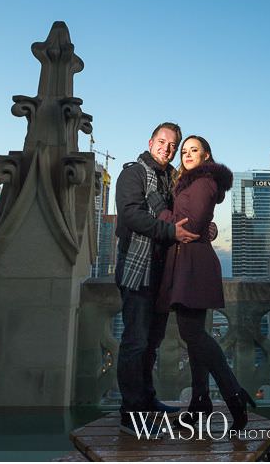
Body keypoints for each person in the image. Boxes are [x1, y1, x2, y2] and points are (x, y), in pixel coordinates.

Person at [156, 135, 256, 430]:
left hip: (193, 265)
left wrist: (156, 208)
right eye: (184, 151)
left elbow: (191, 224)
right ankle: (200, 401)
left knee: (194, 335)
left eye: (193, 150)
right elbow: (199, 223)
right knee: (194, 334)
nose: (186, 154)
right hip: (188, 262)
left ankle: (234, 393)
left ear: (206, 156)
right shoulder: (191, 182)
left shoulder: (204, 182)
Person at [114, 121, 199, 432]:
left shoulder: (170, 179)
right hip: (138, 270)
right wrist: (169, 231)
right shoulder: (133, 173)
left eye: (172, 145)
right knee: (135, 342)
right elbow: (131, 214)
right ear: (150, 142)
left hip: (162, 274)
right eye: (162, 141)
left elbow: (184, 216)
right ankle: (130, 413)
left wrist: (205, 228)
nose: (167, 148)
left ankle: (147, 401)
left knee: (152, 343)